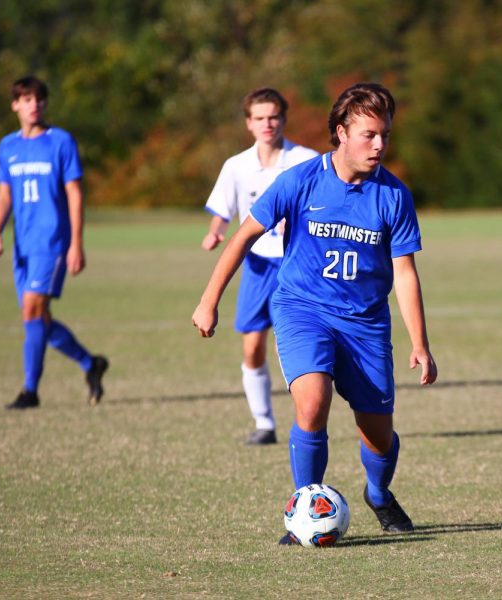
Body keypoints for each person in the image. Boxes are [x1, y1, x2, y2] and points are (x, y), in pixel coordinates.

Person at [192, 83, 437, 544]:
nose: (380, 145)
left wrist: (420, 343)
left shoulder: (394, 196)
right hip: (303, 309)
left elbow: (404, 273)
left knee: (378, 435)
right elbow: (243, 236)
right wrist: (210, 299)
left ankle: (378, 493)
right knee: (312, 402)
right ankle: (305, 507)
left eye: (385, 134)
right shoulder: (302, 180)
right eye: (369, 135)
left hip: (365, 323)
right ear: (341, 133)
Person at [201, 88, 318, 446]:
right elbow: (223, 210)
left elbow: (321, 208)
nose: (268, 124)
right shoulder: (236, 166)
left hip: (297, 265)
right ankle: (264, 423)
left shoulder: (306, 160)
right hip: (255, 266)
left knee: (301, 346)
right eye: (260, 118)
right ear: (249, 123)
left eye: (274, 117)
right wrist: (215, 233)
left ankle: (310, 416)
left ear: (283, 119)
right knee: (252, 347)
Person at [0, 75, 108, 410]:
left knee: (32, 309)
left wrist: (77, 243)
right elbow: (4, 195)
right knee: (38, 318)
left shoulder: (61, 142)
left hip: (53, 241)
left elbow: (74, 195)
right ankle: (90, 364)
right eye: (26, 99)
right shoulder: (7, 146)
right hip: (22, 245)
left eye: (39, 99)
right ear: (15, 104)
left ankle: (30, 391)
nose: (34, 105)